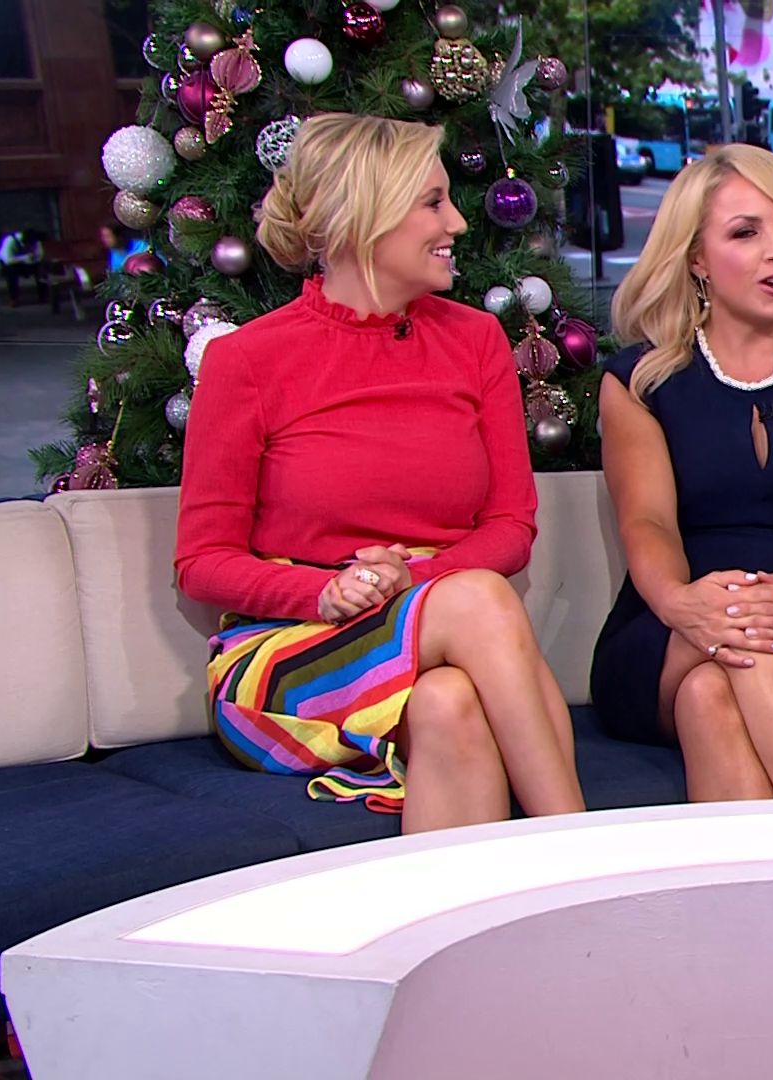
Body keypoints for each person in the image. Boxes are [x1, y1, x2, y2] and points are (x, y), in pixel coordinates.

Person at [174, 114, 585, 833]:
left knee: (449, 701)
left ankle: (465, 907)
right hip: (292, 647)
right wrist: (327, 591)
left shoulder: (475, 340)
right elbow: (202, 562)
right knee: (478, 600)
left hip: (435, 626)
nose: (457, 223)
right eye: (433, 203)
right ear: (364, 217)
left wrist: (409, 581)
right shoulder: (247, 361)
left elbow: (510, 527)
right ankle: (580, 848)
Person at [593, 144, 773, 801]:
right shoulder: (641, 381)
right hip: (670, 628)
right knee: (747, 635)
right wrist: (685, 605)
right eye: (745, 233)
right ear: (697, 258)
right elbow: (646, 521)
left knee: (712, 693)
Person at [0, 228, 44, 304]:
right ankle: (14, 298)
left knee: (40, 268)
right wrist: (25, 257)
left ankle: (43, 297)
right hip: (8, 264)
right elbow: (7, 260)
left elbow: (40, 255)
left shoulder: (36, 241)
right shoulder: (11, 241)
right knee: (11, 271)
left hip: (27, 263)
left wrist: (34, 259)